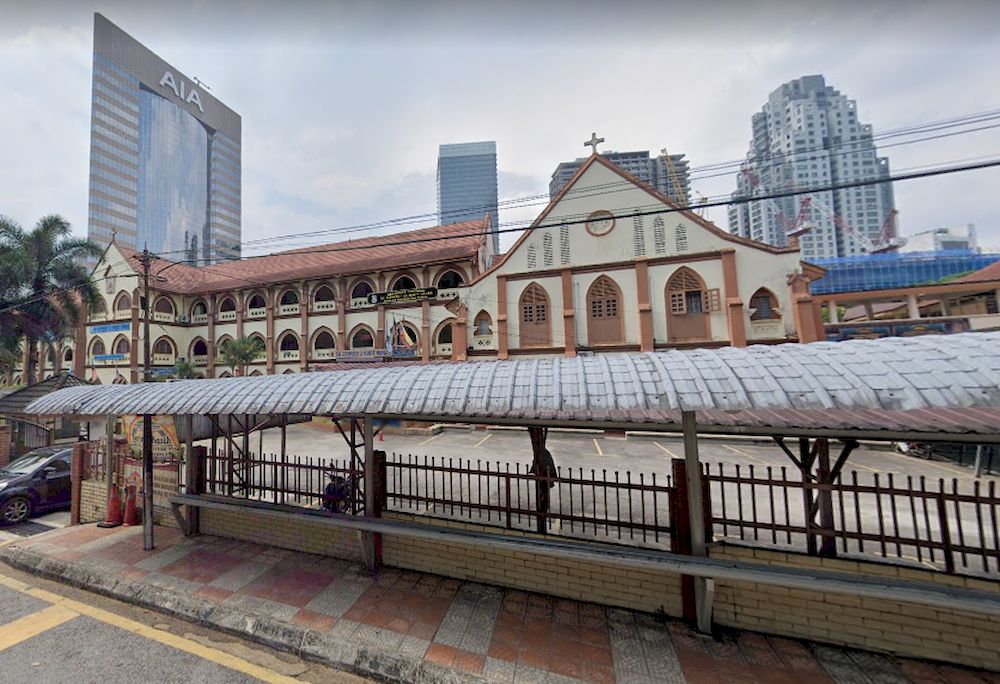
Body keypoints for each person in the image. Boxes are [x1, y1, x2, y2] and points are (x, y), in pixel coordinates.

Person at [529, 447, 557, 533]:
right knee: (544, 494)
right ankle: (543, 511)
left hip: (544, 478)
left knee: (543, 494)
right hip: (545, 478)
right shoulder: (543, 453)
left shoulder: (541, 453)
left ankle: (542, 512)